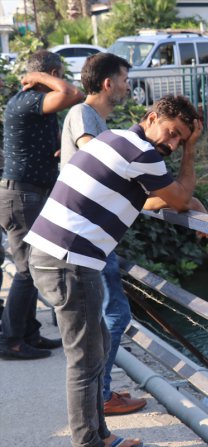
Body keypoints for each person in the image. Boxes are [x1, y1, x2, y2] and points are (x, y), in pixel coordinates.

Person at [25, 94, 205, 447]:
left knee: (99, 345)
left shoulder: (114, 139)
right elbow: (180, 198)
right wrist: (191, 152)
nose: (172, 143)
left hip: (56, 256)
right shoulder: (141, 152)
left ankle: (99, 435)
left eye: (180, 140)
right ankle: (88, 441)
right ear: (152, 118)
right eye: (172, 133)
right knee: (85, 361)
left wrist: (183, 197)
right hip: (70, 260)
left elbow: (148, 200)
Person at [61, 51, 148, 417]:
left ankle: (103, 391)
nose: (128, 86)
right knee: (114, 313)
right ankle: (103, 395)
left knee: (109, 313)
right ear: (108, 83)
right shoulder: (83, 113)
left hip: (93, 231)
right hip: (86, 230)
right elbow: (95, 158)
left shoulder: (98, 122)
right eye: (125, 80)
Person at [0, 50, 84, 359]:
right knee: (26, 271)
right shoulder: (29, 100)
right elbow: (72, 94)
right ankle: (10, 341)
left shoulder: (33, 105)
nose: (61, 80)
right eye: (58, 74)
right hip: (21, 196)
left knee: (32, 267)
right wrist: (38, 77)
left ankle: (29, 333)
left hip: (27, 194)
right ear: (49, 74)